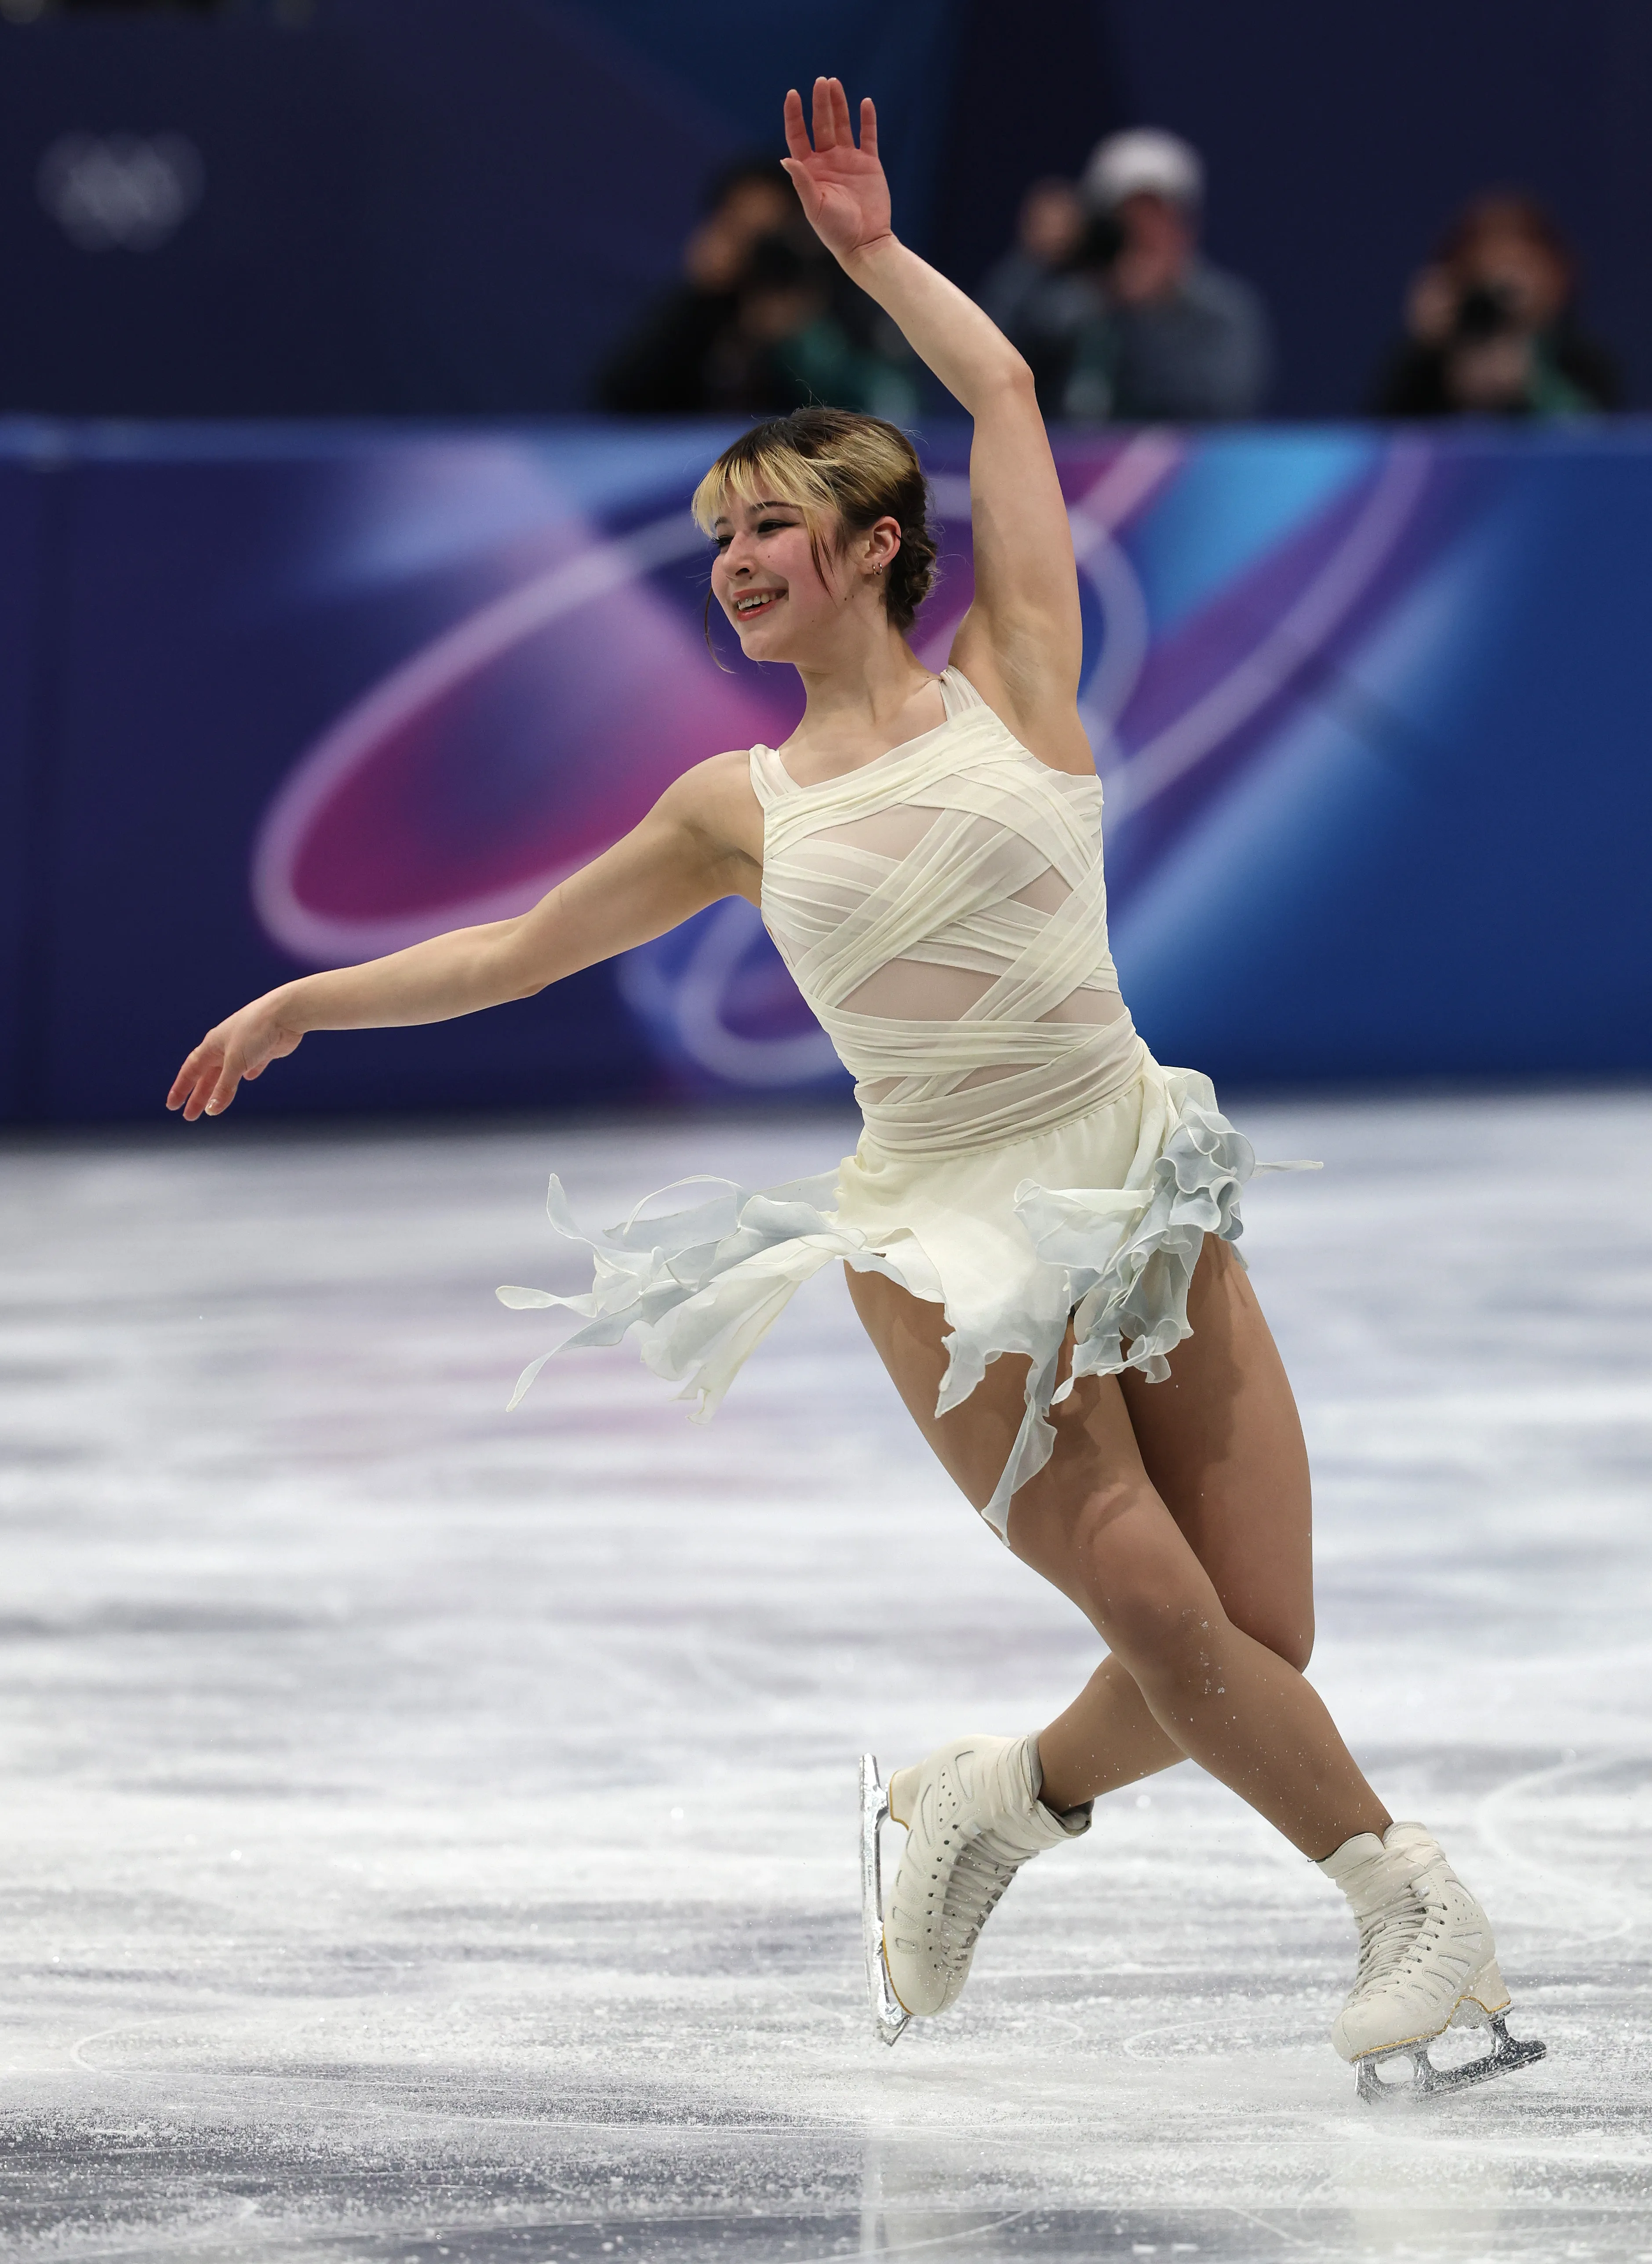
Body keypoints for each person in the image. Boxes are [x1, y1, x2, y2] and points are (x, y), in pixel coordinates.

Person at [169, 80, 1544, 2100]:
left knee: (1256, 1627)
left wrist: (872, 255)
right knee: (1159, 1596)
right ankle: (1403, 1897)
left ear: (870, 546)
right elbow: (508, 947)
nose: (729, 561)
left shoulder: (1020, 673)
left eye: (767, 528)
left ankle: (987, 1802)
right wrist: (311, 1000)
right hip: (942, 1228)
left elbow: (997, 389)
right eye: (717, 534)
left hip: (1135, 1166)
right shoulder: (734, 804)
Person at [597, 154, 916, 420]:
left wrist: (799, 338)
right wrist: (696, 296)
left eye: (766, 228)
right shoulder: (706, 301)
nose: (753, 244)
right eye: (738, 225)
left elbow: (888, 405)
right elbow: (620, 397)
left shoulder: (830, 292)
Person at [1008, 128, 1270, 423]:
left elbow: (1220, 407)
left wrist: (1141, 315)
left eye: (1157, 215)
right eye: (1126, 214)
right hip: (1059, 466)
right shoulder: (1061, 306)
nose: (1142, 230)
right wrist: (1034, 260)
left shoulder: (1225, 313)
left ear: (1187, 226)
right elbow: (994, 371)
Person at [1374, 193, 1619, 419]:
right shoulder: (1427, 362)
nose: (1502, 284)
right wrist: (1426, 353)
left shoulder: (1583, 362)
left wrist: (1534, 386)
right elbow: (1376, 445)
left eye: (1520, 267)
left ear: (1557, 276)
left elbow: (1600, 445)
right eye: (1486, 266)